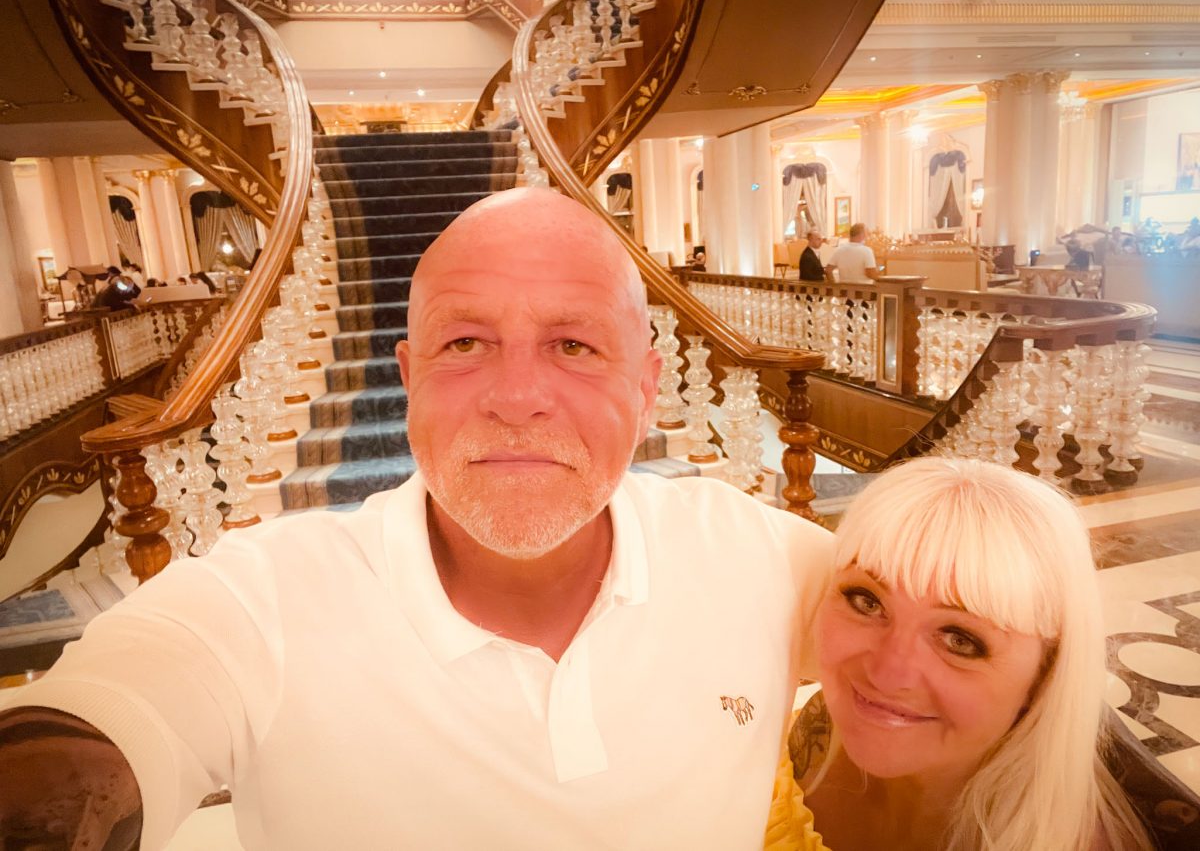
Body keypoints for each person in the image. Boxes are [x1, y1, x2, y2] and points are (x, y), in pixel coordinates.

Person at [0, 187, 833, 850]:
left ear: (647, 387)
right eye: (464, 344)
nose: (517, 399)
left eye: (573, 346)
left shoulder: (755, 555)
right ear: (410, 377)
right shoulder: (261, 605)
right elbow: (97, 730)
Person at [765, 457, 1152, 851]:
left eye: (960, 640)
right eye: (866, 600)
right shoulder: (814, 729)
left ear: (1044, 677)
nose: (886, 674)